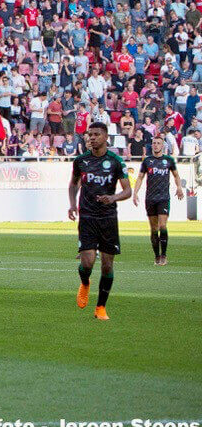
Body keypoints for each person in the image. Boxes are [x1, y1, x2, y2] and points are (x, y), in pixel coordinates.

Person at [69, 122, 132, 320]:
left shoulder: (115, 161)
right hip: (87, 216)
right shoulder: (80, 161)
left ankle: (101, 308)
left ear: (106, 137)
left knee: (107, 265)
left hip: (108, 218)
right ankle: (85, 283)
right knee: (87, 263)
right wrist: (72, 204)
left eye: (96, 134)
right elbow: (73, 184)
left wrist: (113, 198)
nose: (92, 138)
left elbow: (127, 190)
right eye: (89, 134)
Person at [133, 135, 186, 265]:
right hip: (150, 198)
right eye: (154, 143)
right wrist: (135, 193)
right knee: (153, 228)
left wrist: (179, 187)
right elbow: (140, 177)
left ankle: (164, 255)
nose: (156, 145)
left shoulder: (168, 160)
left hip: (163, 197)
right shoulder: (147, 161)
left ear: (163, 146)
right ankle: (156, 255)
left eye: (158, 143)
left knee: (162, 225)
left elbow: (176, 175)